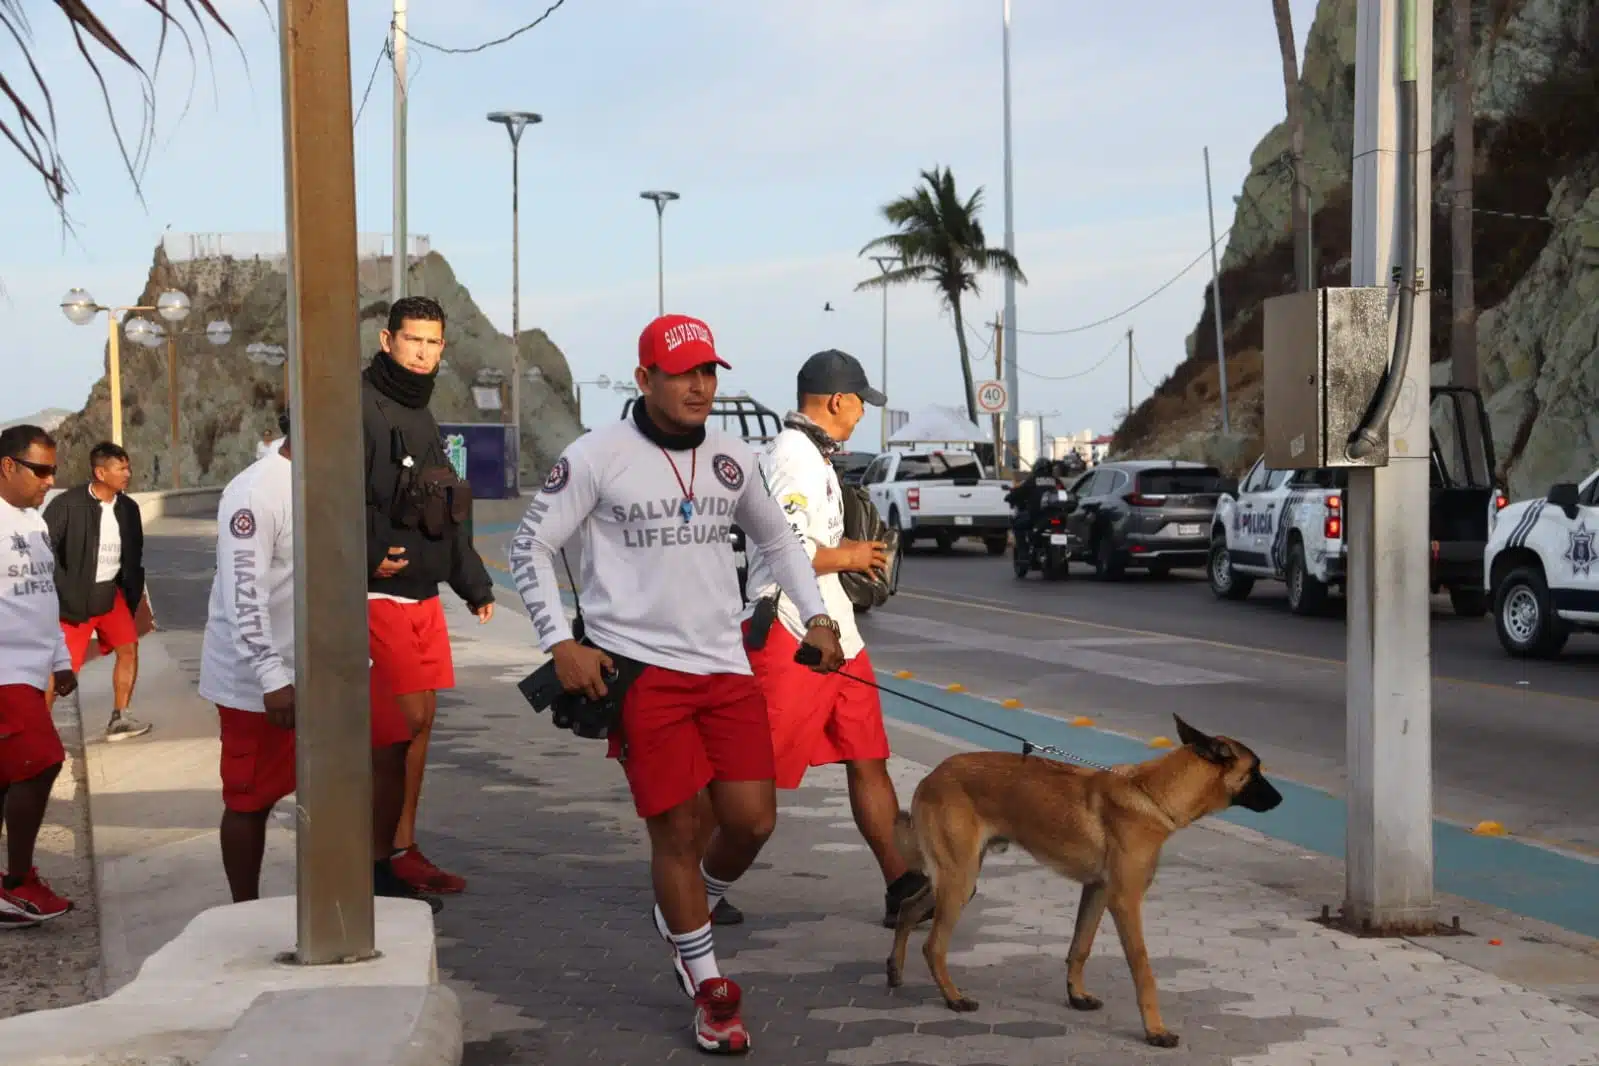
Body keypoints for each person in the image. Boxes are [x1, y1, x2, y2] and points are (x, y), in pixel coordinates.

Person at [508, 314, 844, 1055]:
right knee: (678, 831)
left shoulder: (732, 456)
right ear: (644, 379)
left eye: (708, 372)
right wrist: (559, 643)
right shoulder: (596, 456)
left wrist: (815, 619)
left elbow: (780, 542)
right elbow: (528, 544)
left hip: (723, 668)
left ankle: (685, 914)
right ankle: (708, 989)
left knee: (752, 821)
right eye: (682, 372)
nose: (699, 386)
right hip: (639, 674)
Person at [198, 414, 436, 911]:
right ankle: (244, 908)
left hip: (334, 663)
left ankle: (374, 876)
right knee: (251, 800)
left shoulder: (333, 484)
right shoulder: (255, 492)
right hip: (261, 674)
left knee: (390, 744)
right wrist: (271, 678)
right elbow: (245, 593)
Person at [732, 349, 929, 928]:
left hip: (839, 633)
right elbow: (784, 550)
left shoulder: (813, 455)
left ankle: (905, 885)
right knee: (752, 778)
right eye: (862, 403)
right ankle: (694, 882)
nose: (864, 414)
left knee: (869, 759)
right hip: (793, 634)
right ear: (838, 401)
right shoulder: (791, 458)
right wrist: (853, 555)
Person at [362, 295, 496, 896]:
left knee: (422, 724)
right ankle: (373, 861)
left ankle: (402, 846)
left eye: (432, 342)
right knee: (399, 723)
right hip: (376, 594)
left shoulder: (423, 412)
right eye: (412, 339)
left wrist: (473, 582)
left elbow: (447, 500)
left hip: (422, 594)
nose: (422, 351)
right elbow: (328, 490)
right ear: (387, 340)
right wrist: (367, 552)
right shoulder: (360, 404)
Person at [0, 425, 78, 924]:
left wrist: (60, 660)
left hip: (31, 669)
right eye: (40, 470)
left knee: (8, 776)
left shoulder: (32, 523)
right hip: (3, 672)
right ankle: (17, 881)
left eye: (53, 470)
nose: (50, 481)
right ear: (8, 466)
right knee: (43, 761)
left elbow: (42, 596)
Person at [42, 441, 151, 741]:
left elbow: (134, 555)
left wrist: (130, 591)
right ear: (101, 472)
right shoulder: (66, 504)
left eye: (128, 466)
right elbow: (43, 550)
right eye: (121, 467)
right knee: (61, 670)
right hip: (73, 599)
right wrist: (63, 591)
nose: (127, 473)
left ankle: (120, 718)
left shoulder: (128, 508)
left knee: (129, 649)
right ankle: (38, 732)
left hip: (111, 594)